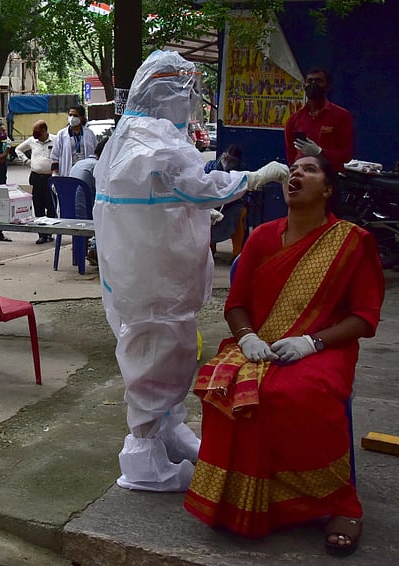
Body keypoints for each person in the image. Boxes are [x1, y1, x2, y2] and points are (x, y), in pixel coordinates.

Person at [91, 50, 290, 492]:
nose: (193, 102)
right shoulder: (157, 140)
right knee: (156, 356)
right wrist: (253, 178)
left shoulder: (131, 134)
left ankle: (169, 431)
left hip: (142, 269)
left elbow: (147, 199)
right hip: (155, 279)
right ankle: (143, 458)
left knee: (169, 355)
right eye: (190, 93)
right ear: (172, 93)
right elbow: (199, 187)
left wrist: (190, 217)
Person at [185, 154, 384, 556]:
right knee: (221, 384)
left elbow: (364, 317)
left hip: (327, 346)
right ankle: (250, 499)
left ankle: (337, 503)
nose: (296, 174)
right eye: (293, 170)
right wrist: (246, 338)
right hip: (260, 342)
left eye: (309, 170)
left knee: (288, 394)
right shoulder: (262, 237)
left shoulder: (351, 242)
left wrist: (313, 342)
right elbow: (236, 305)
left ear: (328, 189)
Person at [284, 68, 354, 170]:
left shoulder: (342, 116)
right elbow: (291, 155)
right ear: (304, 86)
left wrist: (320, 152)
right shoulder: (293, 120)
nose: (313, 84)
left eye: (318, 81)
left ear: (328, 86)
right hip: (304, 177)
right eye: (310, 81)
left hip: (331, 178)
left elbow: (346, 155)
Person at [15, 120, 56, 244]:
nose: (34, 134)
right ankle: (41, 234)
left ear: (44, 130)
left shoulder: (55, 139)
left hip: (50, 178)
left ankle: (49, 232)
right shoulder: (32, 141)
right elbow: (18, 150)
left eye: (37, 132)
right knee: (38, 207)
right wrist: (26, 161)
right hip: (36, 177)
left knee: (51, 206)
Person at [206, 145, 247, 257]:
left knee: (238, 214)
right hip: (212, 202)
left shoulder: (241, 171)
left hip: (231, 206)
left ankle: (237, 254)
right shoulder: (210, 166)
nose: (227, 161)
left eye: (231, 160)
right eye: (226, 157)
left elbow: (245, 193)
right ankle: (209, 250)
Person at [50, 105, 97, 177]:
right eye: (70, 115)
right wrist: (55, 174)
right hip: (67, 172)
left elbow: (95, 154)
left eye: (75, 115)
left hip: (85, 172)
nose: (72, 118)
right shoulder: (61, 134)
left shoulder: (89, 134)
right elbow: (55, 156)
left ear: (81, 117)